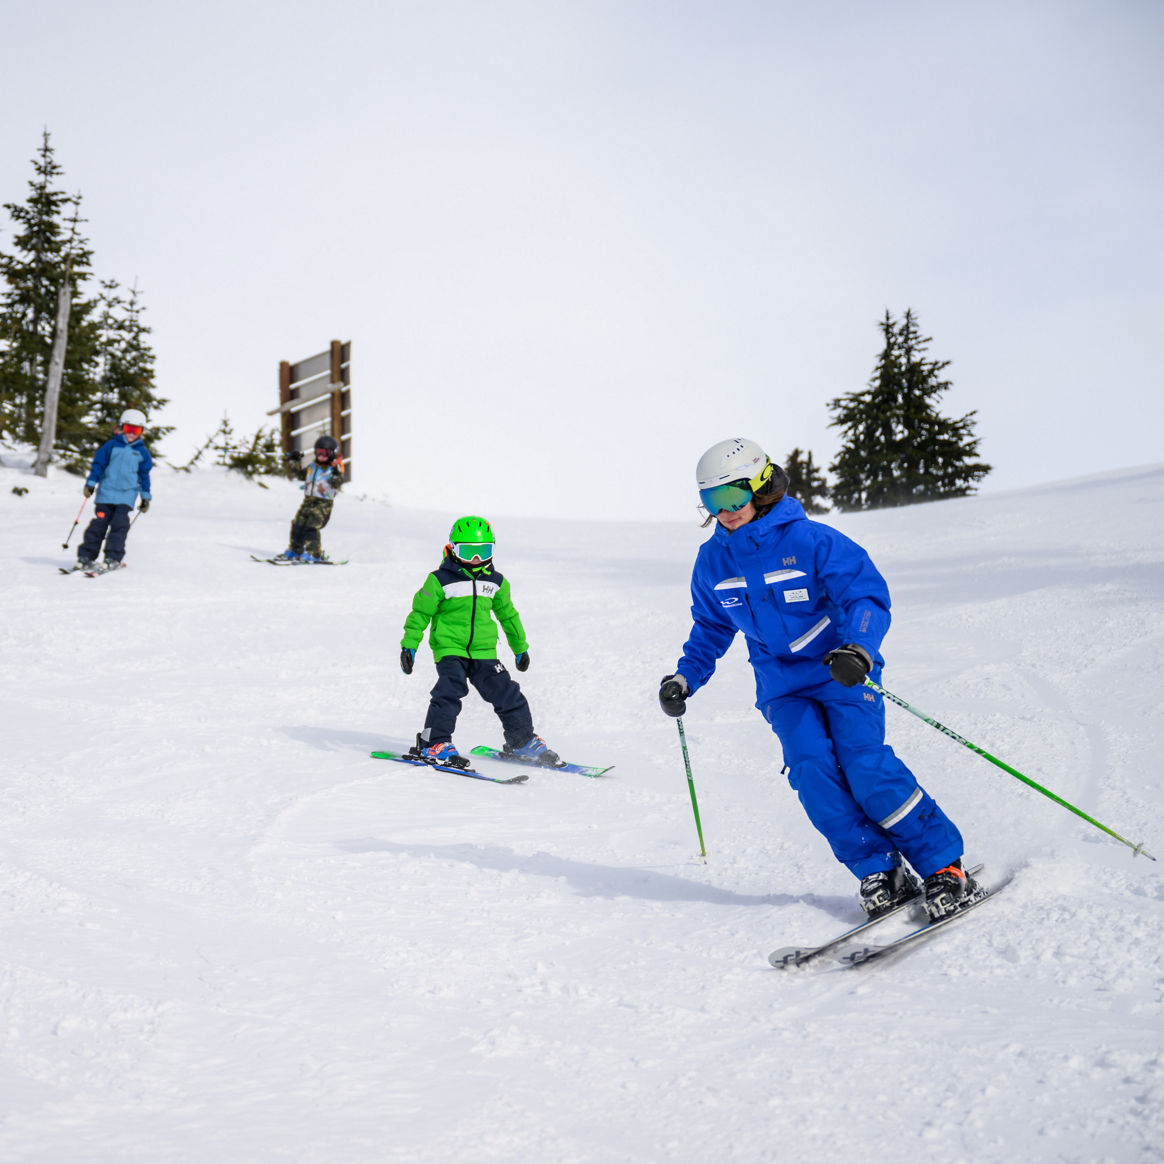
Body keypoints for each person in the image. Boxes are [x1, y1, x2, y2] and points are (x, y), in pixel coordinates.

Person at [658, 437, 980, 922]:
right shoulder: (712, 563)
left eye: (733, 497)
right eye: (711, 501)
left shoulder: (813, 542)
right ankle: (880, 869)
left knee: (864, 765)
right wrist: (686, 677)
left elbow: (865, 597)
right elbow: (711, 626)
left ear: (762, 487)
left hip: (841, 673)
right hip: (782, 687)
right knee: (811, 770)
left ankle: (943, 866)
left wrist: (859, 649)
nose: (724, 512)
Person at [400, 515, 560, 768]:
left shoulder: (496, 582)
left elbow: (508, 615)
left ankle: (521, 741)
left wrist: (520, 648)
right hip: (450, 647)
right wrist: (409, 645)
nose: (476, 559)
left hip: (484, 650)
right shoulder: (440, 580)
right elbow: (420, 613)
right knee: (449, 691)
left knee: (508, 693)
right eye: (468, 551)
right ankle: (434, 743)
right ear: (453, 549)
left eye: (483, 551)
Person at [73, 408, 153, 571]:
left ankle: (113, 557)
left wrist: (145, 497)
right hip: (105, 495)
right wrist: (91, 483)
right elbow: (98, 465)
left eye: (136, 430)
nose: (131, 434)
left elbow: (144, 476)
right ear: (121, 428)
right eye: (128, 429)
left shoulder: (142, 453)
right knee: (98, 526)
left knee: (119, 526)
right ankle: (86, 556)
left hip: (126, 497)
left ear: (141, 432)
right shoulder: (110, 446)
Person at [279, 434, 344, 562]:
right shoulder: (312, 466)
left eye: (325, 453)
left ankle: (313, 553)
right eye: (318, 452)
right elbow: (299, 474)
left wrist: (336, 473)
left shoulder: (333, 469)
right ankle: (295, 550)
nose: (321, 456)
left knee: (311, 527)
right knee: (297, 524)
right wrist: (294, 460)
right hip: (308, 501)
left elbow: (338, 482)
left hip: (323, 504)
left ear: (332, 453)